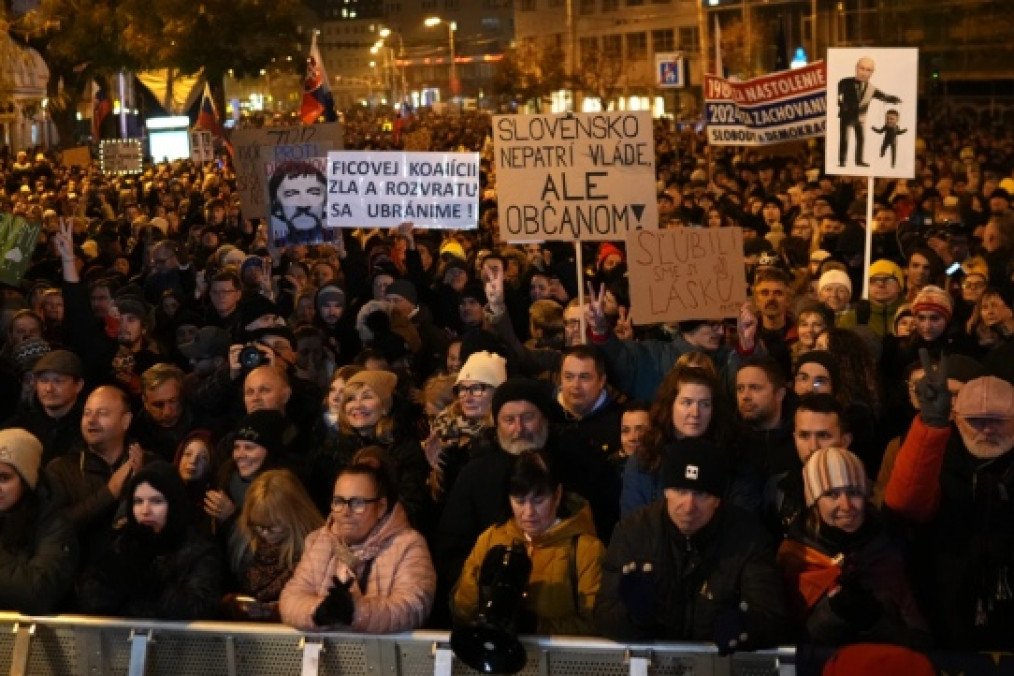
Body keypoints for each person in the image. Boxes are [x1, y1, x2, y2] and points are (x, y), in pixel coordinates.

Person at [594, 440, 787, 649]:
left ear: (717, 500)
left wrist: (747, 628)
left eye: (701, 494)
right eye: (680, 490)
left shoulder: (748, 537)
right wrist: (633, 615)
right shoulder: (633, 532)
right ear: (666, 491)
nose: (688, 506)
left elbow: (770, 615)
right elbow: (603, 617)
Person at [886, 359, 1014, 649]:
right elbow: (906, 505)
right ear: (957, 416)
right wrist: (929, 430)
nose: (987, 430)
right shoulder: (939, 449)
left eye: (997, 420)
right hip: (946, 595)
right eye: (976, 421)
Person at [778, 447, 930, 647]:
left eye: (854, 492)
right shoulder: (795, 557)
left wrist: (875, 618)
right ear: (814, 502)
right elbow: (791, 641)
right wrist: (833, 611)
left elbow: (919, 639)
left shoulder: (887, 548)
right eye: (832, 494)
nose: (846, 505)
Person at [452, 451, 605, 635]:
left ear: (557, 496)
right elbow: (461, 611)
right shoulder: (491, 538)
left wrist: (534, 626)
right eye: (519, 501)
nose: (528, 512)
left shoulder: (586, 549)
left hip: (561, 661)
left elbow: (595, 625)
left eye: (538, 500)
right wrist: (479, 586)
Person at [279, 457, 436, 632]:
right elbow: (290, 599)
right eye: (339, 501)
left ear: (381, 506)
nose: (346, 512)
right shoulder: (318, 541)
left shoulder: (409, 544)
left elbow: (413, 607)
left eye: (357, 503)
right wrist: (320, 611)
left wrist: (356, 611)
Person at [77, 461, 223, 620]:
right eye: (138, 501)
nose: (145, 510)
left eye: (156, 501)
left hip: (178, 642)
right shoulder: (122, 544)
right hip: (122, 641)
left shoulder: (199, 551)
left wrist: (150, 582)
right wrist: (113, 580)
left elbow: (198, 608)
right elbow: (89, 600)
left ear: (174, 504)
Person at [224, 469, 323, 621]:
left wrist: (272, 611)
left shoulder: (317, 550)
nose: (264, 532)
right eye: (257, 525)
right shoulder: (242, 543)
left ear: (295, 516)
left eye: (272, 526)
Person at [0, 428, 79, 614]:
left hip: (35, 640)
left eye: (4, 478)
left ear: (27, 481)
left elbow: (38, 593)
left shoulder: (55, 524)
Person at [424, 351, 507, 503]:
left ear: (498, 392)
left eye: (476, 388)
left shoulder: (504, 438)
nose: (467, 397)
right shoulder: (446, 430)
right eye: (462, 388)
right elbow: (440, 502)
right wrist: (439, 469)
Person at [836, 56, 901, 168]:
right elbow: (838, 97)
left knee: (861, 139)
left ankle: (859, 160)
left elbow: (884, 96)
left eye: (868, 70)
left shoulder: (872, 88)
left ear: (872, 72)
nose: (864, 72)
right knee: (844, 139)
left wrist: (895, 99)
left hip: (861, 118)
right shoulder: (844, 82)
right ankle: (842, 161)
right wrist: (842, 105)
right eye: (862, 68)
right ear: (856, 68)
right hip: (847, 116)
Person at [268, 160, 330, 247]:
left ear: (326, 200)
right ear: (276, 203)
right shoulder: (276, 245)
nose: (303, 205)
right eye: (291, 194)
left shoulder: (336, 240)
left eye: (313, 192)